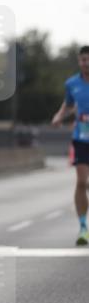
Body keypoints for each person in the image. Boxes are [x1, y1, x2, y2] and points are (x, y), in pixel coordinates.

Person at [51, 45, 89, 246]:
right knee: (82, 182)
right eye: (83, 59)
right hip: (81, 138)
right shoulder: (72, 83)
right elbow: (68, 104)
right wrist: (59, 116)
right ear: (79, 61)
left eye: (88, 59)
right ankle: (83, 227)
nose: (86, 63)